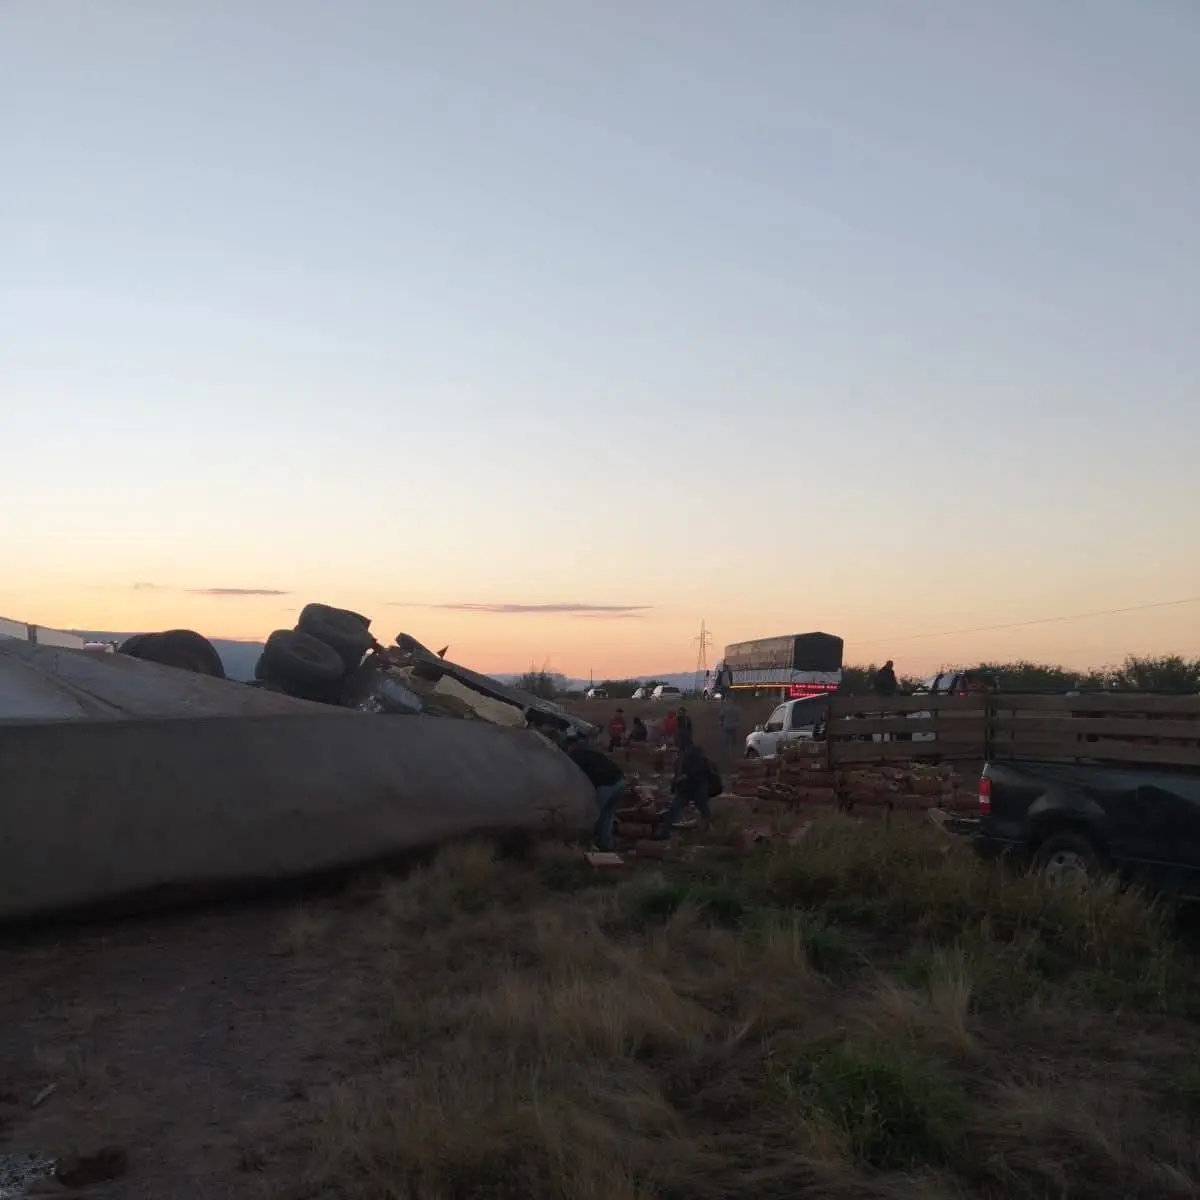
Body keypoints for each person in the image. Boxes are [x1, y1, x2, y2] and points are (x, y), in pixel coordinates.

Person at [564, 736, 628, 852]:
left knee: (591, 816)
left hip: (605, 786)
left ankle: (588, 846)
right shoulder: (592, 752)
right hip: (619, 782)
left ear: (571, 746)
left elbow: (573, 778)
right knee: (607, 815)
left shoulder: (574, 756)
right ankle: (606, 844)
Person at [657, 741, 720, 839]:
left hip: (690, 789)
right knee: (704, 811)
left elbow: (680, 776)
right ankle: (711, 831)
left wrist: (678, 783)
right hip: (694, 788)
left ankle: (665, 832)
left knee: (674, 809)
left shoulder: (685, 759)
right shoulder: (697, 758)